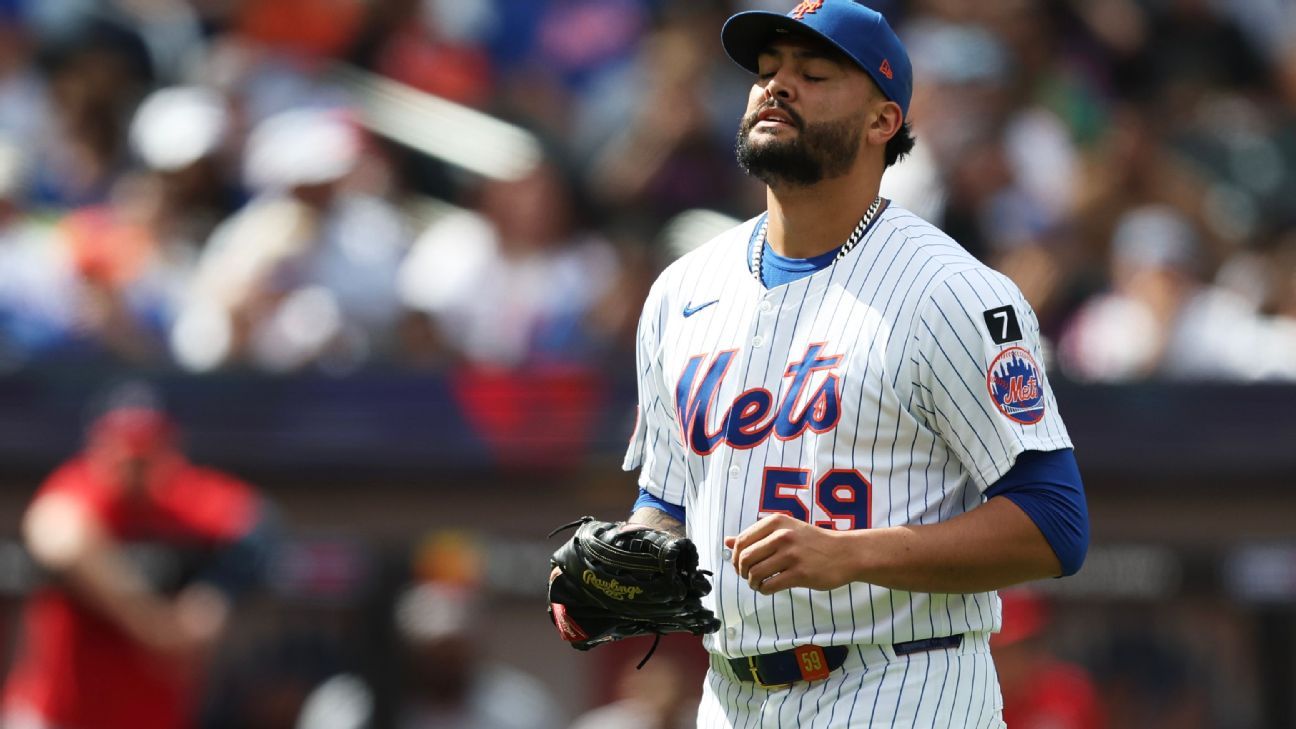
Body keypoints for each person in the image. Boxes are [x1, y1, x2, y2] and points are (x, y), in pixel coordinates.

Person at [620, 1, 1090, 726]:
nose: (778, 86)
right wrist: (629, 565)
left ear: (883, 121)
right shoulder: (682, 291)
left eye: (813, 74)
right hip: (730, 695)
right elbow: (669, 499)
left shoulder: (949, 292)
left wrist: (853, 554)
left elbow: (1054, 522)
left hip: (901, 681)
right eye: (767, 71)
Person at [1, 401, 278, 729]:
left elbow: (261, 528)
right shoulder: (81, 486)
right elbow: (57, 534)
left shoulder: (185, 499)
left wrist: (212, 599)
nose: (132, 469)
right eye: (123, 455)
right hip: (59, 716)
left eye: (144, 458)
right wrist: (152, 626)